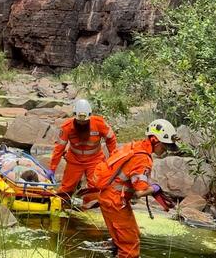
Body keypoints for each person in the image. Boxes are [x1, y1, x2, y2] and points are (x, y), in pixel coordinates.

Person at [98, 119, 179, 258]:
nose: (166, 150)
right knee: (130, 247)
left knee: (130, 236)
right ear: (156, 141)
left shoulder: (135, 146)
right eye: (165, 146)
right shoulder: (143, 159)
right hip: (116, 202)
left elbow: (132, 177)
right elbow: (139, 192)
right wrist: (155, 188)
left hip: (107, 197)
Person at [49, 99, 117, 206]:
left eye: (84, 122)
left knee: (95, 187)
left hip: (95, 160)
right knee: (66, 188)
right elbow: (59, 148)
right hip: (74, 160)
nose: (81, 124)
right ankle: (62, 205)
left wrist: (113, 159)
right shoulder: (67, 127)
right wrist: (52, 168)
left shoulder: (99, 123)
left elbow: (111, 139)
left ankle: (89, 208)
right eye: (79, 121)